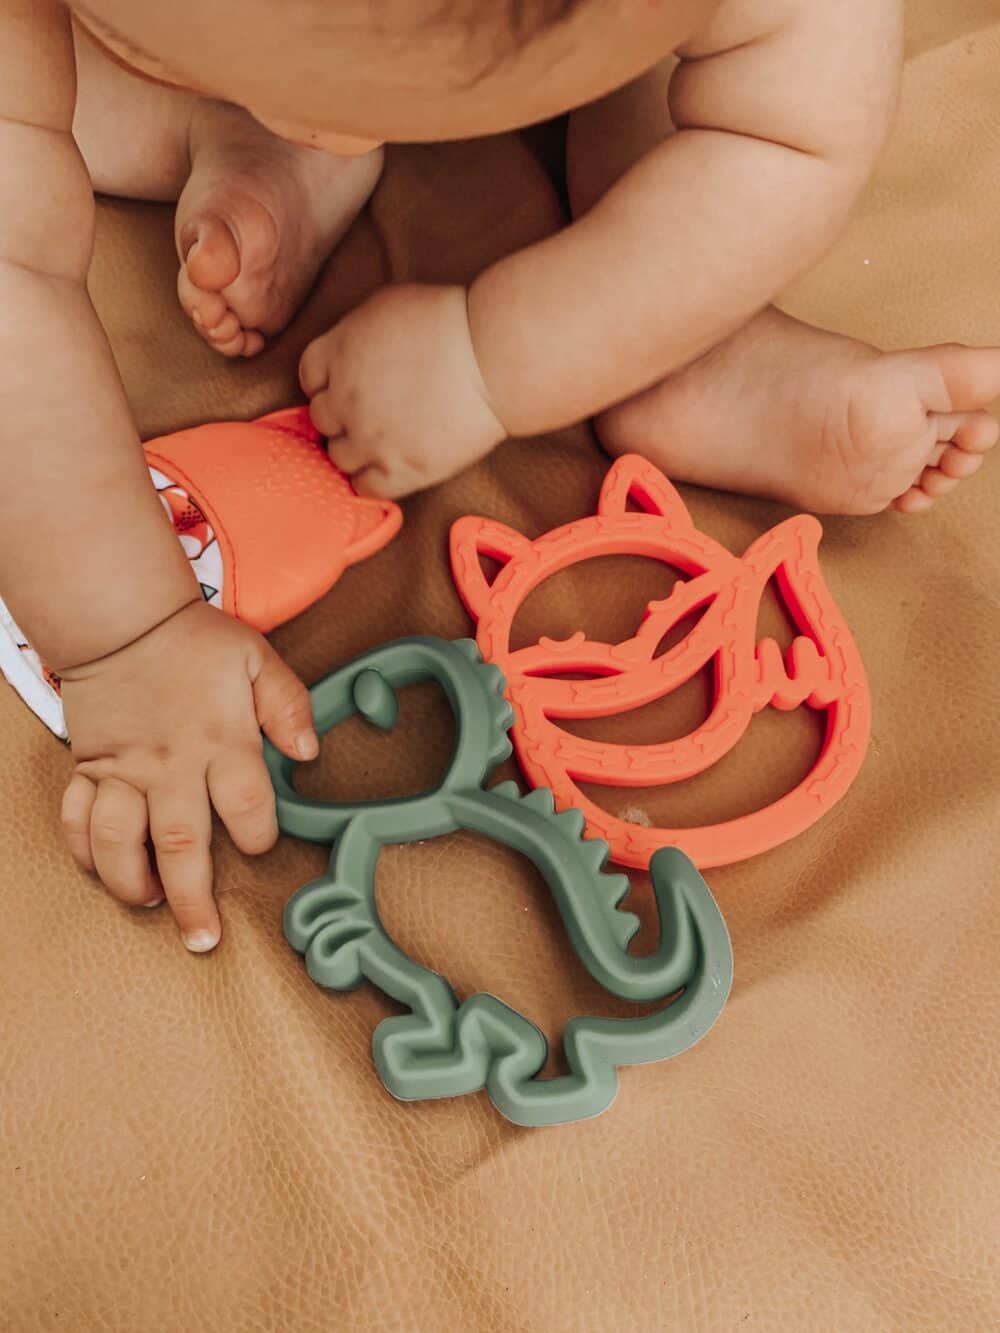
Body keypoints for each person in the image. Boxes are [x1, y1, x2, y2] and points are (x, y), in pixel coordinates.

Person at [3, 0, 997, 951]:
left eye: (339, 106)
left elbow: (783, 137)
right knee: (83, 81)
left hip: (605, 45)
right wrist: (123, 639)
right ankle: (226, 122)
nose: (344, 124)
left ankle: (683, 349)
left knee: (670, 110)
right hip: (107, 46)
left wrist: (503, 358)